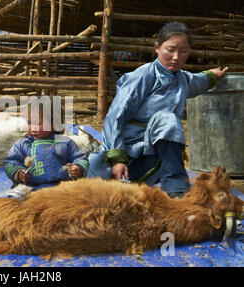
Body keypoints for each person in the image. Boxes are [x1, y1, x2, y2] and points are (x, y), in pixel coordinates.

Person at [87, 21, 228, 198]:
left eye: (183, 51)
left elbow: (199, 81)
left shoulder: (183, 79)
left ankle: (175, 189)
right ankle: (175, 188)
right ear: (157, 48)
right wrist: (117, 159)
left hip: (155, 156)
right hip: (128, 155)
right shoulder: (143, 76)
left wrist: (213, 75)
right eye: (170, 49)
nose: (176, 57)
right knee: (167, 119)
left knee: (168, 128)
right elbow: (116, 117)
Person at [4, 97, 89, 191]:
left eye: (37, 123)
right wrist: (19, 173)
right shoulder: (22, 145)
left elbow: (81, 158)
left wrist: (77, 168)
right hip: (30, 190)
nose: (32, 128)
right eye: (29, 123)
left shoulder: (64, 143)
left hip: (61, 189)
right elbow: (11, 162)